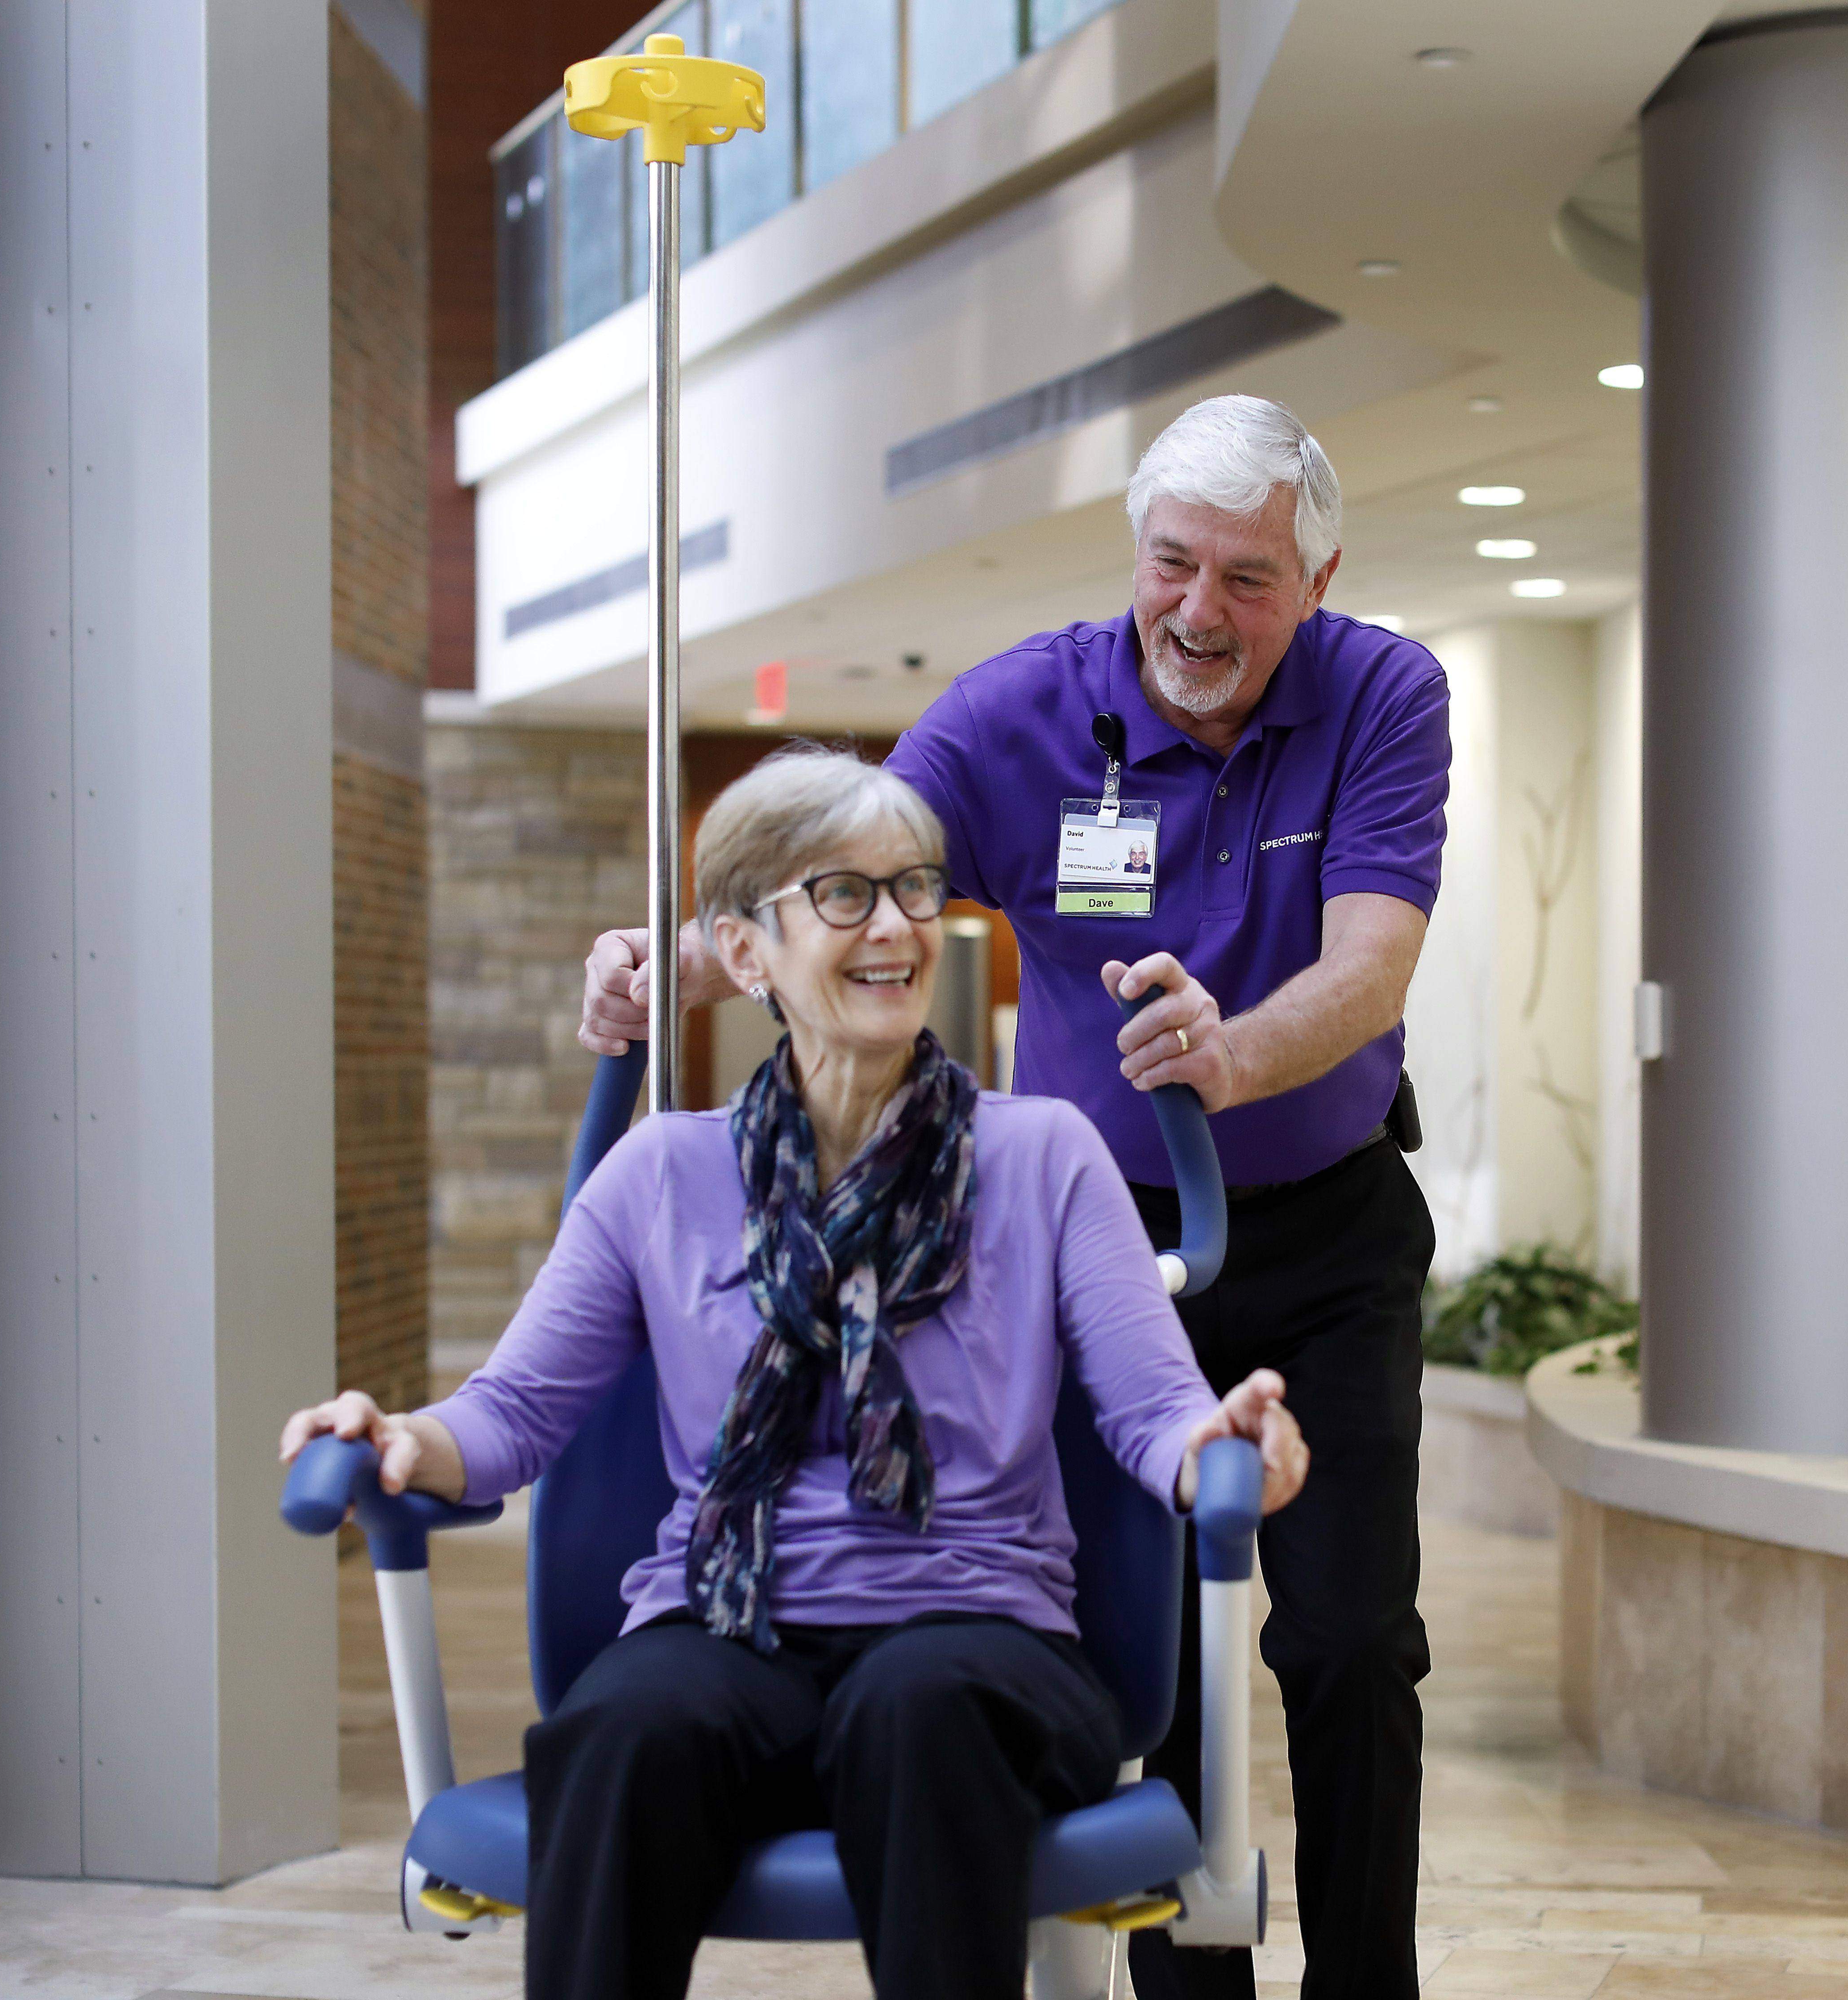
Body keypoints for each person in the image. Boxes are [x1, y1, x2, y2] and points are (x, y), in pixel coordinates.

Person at [579, 395, 1447, 2000]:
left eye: (1249, 580)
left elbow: (1371, 965)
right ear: (1135, 553)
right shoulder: (1017, 714)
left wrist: (1228, 1056)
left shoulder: (1383, 692)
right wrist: (681, 966)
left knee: (1343, 1644)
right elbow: (841, 881)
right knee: (1169, 1650)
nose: (1200, 611)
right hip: (1096, 1241)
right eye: (1173, 565)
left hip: (1324, 1228)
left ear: (1316, 584)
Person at [285, 748, 1310, 2000]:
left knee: (919, 1709)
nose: (895, 927)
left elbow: (1154, 1411)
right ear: (745, 948)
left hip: (979, 1631)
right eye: (843, 895)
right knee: (624, 1730)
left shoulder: (1046, 1156)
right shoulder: (659, 1175)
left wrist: (1223, 1444)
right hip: (729, 1622)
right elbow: (508, 1415)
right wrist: (397, 1436)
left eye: (917, 890)